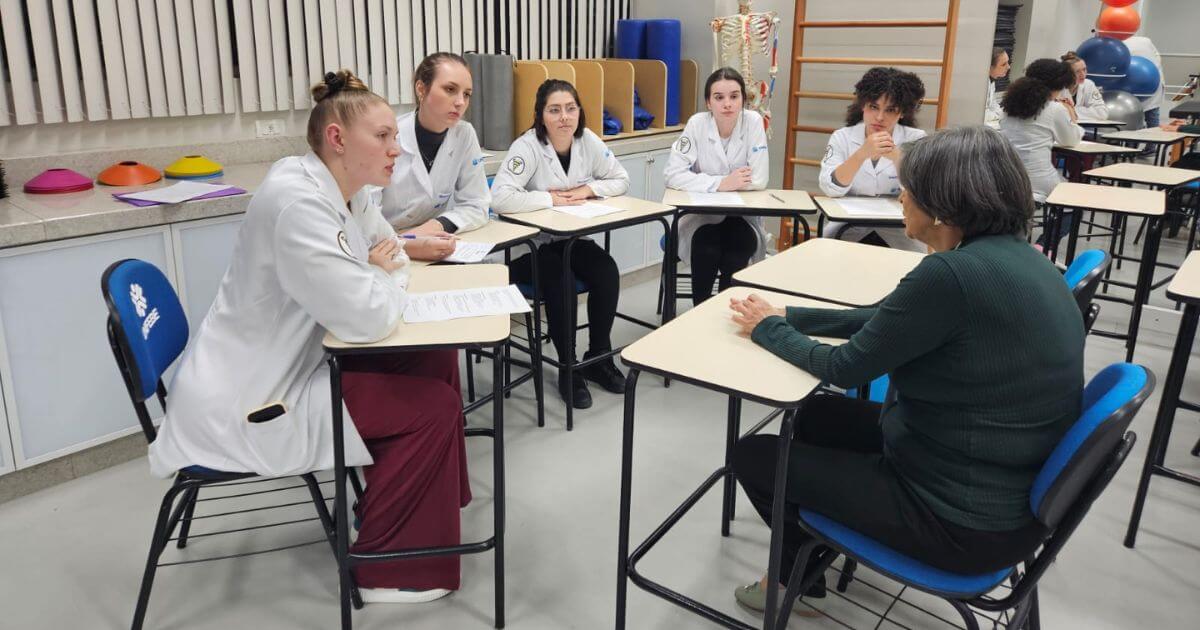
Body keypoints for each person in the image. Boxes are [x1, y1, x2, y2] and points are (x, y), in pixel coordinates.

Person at [726, 126, 1083, 615]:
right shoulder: (1019, 259)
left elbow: (844, 367)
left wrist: (770, 332)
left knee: (755, 456)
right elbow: (887, 317)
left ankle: (793, 579)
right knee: (813, 419)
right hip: (996, 487)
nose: (901, 198)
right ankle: (802, 564)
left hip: (956, 521)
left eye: (907, 188)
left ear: (943, 206)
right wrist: (790, 316)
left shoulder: (950, 275)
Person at [148, 70, 471, 604]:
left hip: (288, 362)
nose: (397, 149)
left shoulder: (346, 189)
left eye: (395, 135)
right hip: (253, 396)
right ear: (337, 139)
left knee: (435, 357)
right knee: (432, 407)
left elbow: (388, 247)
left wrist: (378, 270)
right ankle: (388, 568)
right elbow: (367, 315)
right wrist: (382, 273)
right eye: (384, 137)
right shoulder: (299, 203)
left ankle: (417, 505)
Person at [491, 79, 630, 409]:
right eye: (554, 110)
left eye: (570, 108)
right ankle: (568, 369)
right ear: (541, 116)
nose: (564, 117)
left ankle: (597, 358)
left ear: (579, 112)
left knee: (606, 271)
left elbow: (621, 179)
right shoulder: (527, 147)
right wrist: (549, 200)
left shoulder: (587, 140)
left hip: (570, 239)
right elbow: (500, 198)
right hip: (530, 248)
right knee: (562, 282)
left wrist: (589, 191)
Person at [664, 67, 769, 305]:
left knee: (737, 251)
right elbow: (672, 174)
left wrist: (703, 183)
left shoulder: (753, 122)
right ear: (708, 102)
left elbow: (760, 178)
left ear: (743, 99)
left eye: (734, 96)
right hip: (701, 217)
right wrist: (722, 182)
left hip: (743, 217)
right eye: (719, 97)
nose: (727, 104)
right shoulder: (697, 124)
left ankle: (725, 313)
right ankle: (699, 312)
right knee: (706, 249)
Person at [382, 52, 490, 260]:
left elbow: (476, 204)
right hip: (384, 248)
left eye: (467, 94)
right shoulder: (387, 137)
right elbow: (362, 219)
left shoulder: (464, 134)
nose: (460, 102)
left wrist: (435, 226)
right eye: (450, 90)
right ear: (421, 88)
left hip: (437, 240)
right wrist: (405, 241)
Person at [819, 67, 928, 252]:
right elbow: (830, 187)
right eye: (873, 107)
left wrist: (896, 156)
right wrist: (861, 154)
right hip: (849, 228)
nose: (879, 117)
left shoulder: (916, 138)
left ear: (902, 112)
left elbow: (923, 191)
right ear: (863, 105)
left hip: (900, 231)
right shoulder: (842, 137)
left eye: (890, 110)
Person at [999, 58, 1083, 249]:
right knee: (1073, 207)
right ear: (1057, 86)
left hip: (1005, 177)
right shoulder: (1054, 109)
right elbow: (1070, 139)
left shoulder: (1008, 107)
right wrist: (1071, 114)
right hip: (1038, 181)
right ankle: (1043, 246)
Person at [1059, 51, 1108, 120]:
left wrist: (1072, 111)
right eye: (1077, 71)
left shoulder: (1089, 84)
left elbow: (1102, 112)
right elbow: (1057, 113)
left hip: (1080, 128)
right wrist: (1085, 111)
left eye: (1084, 69)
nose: (1083, 74)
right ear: (1067, 73)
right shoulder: (1057, 86)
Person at [985, 47, 1010, 129]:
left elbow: (992, 104)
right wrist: (998, 116)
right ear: (990, 67)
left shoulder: (991, 80)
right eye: (1003, 64)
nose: (1008, 67)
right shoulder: (980, 84)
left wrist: (1005, 115)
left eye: (1008, 63)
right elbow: (982, 112)